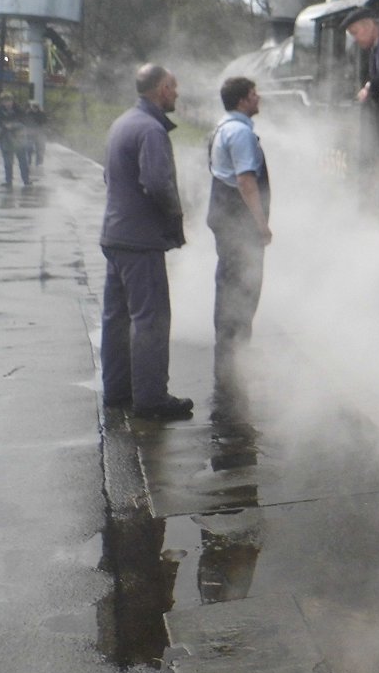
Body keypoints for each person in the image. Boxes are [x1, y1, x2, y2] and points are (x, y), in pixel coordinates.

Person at [99, 63, 192, 420]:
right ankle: (152, 399)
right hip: (140, 240)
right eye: (173, 86)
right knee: (150, 319)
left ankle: (118, 389)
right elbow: (158, 184)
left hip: (116, 235)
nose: (177, 93)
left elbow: (110, 176)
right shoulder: (152, 130)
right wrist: (174, 221)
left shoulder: (122, 123)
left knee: (117, 317)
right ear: (161, 88)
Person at [206, 76, 271, 382]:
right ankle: (234, 358)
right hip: (239, 223)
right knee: (243, 287)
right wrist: (261, 224)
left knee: (229, 283)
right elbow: (246, 182)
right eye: (254, 94)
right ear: (244, 100)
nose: (259, 98)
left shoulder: (222, 127)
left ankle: (229, 351)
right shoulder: (240, 133)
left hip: (224, 216)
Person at [0, 91, 30, 187]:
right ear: (2, 102)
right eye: (5, 101)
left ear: (12, 101)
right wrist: (0, 130)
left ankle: (26, 179)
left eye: (9, 101)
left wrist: (13, 126)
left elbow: (24, 123)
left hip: (19, 138)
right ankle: (8, 180)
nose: (7, 103)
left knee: (23, 161)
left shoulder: (19, 110)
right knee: (7, 162)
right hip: (5, 139)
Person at [24, 100, 47, 166]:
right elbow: (25, 122)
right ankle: (29, 160)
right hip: (30, 132)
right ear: (31, 107)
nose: (35, 108)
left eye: (36, 107)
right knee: (29, 147)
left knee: (39, 148)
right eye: (33, 107)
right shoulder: (28, 113)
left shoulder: (42, 113)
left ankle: (38, 162)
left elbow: (44, 122)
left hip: (39, 132)